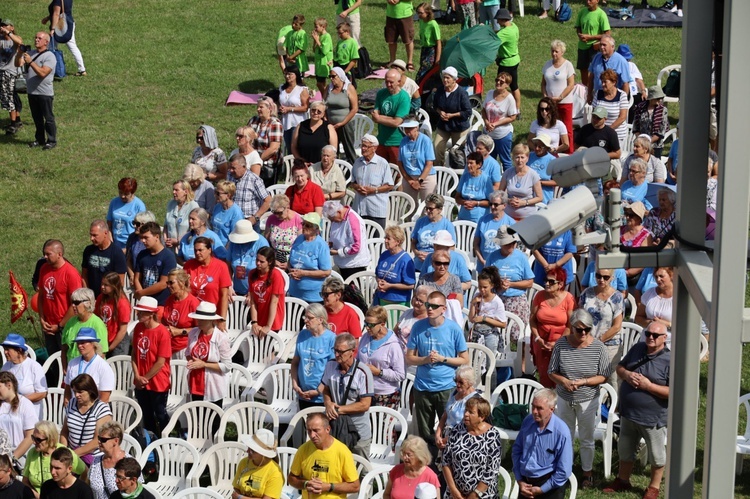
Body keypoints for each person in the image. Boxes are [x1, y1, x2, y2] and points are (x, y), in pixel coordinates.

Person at [603, 321, 670, 499]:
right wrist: (627, 375)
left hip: (652, 418)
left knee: (657, 455)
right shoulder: (638, 348)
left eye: (656, 335)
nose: (651, 338)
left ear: (664, 338)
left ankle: (653, 488)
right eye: (648, 334)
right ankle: (623, 480)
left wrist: (648, 386)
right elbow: (620, 368)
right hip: (628, 414)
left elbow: (673, 392)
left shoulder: (670, 360)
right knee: (625, 449)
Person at [548, 309, 611, 488]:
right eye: (579, 329)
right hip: (564, 397)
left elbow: (604, 375)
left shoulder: (598, 347)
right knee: (564, 436)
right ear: (571, 328)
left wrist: (584, 381)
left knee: (586, 437)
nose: (583, 333)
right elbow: (551, 371)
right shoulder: (561, 344)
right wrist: (564, 381)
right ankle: (563, 471)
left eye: (587, 329)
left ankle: (587, 473)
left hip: (588, 399)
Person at [406, 291, 469, 457]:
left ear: (443, 308)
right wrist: (426, 359)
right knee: (425, 432)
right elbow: (410, 358)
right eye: (428, 305)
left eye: (434, 306)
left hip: (446, 386)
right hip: (422, 386)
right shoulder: (418, 327)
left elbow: (464, 359)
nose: (430, 309)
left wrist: (443, 359)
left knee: (448, 430)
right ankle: (428, 464)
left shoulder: (453, 329)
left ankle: (447, 463)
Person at [512, 389, 573, 499]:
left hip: (550, 487)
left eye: (539, 408)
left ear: (551, 410)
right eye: (533, 406)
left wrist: (542, 489)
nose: (534, 411)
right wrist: (519, 480)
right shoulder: (528, 421)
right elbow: (517, 450)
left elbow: (564, 470)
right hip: (525, 484)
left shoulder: (561, 432)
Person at [321, 333, 374, 458]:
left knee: (361, 470)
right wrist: (328, 403)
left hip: (358, 431)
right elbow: (326, 389)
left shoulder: (363, 373)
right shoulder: (330, 365)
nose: (337, 354)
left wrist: (338, 409)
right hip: (336, 428)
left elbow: (365, 404)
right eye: (335, 350)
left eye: (341, 351)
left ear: (352, 352)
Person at [441, 396, 504, 499]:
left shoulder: (492, 435)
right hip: (455, 494)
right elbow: (446, 461)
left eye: (471, 412)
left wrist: (474, 495)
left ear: (482, 417)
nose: (466, 414)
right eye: (466, 410)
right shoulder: (457, 430)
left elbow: (492, 470)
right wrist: (453, 490)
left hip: (483, 495)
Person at [287, 412, 361, 499]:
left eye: (316, 430)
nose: (312, 435)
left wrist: (329, 487)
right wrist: (305, 484)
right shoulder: (303, 449)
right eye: (309, 431)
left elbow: (355, 486)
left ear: (327, 429)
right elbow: (291, 479)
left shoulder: (342, 451)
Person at [485, 226, 534, 342]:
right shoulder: (492, 257)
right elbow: (485, 279)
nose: (511, 246)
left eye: (513, 243)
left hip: (516, 298)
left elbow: (530, 282)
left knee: (520, 337)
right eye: (508, 244)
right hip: (496, 297)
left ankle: (521, 358)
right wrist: (498, 284)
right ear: (500, 244)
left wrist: (511, 284)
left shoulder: (521, 257)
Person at [131, 296, 172, 436]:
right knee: (146, 415)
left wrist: (144, 378)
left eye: (141, 312)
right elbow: (134, 354)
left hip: (157, 381)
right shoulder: (138, 328)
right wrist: (137, 376)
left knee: (160, 415)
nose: (138, 314)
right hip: (141, 380)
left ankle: (166, 442)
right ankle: (151, 443)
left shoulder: (162, 332)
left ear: (151, 314)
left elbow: (161, 362)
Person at [579, 267, 624, 388]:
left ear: (612, 278)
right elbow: (579, 317)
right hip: (587, 342)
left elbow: (617, 326)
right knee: (589, 377)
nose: (601, 280)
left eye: (606, 277)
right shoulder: (587, 294)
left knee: (612, 379)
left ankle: (614, 406)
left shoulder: (617, 297)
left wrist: (598, 341)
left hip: (610, 343)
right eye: (598, 276)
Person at [529, 268, 575, 388]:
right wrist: (538, 338)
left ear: (560, 284)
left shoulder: (569, 299)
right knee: (544, 373)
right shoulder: (539, 296)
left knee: (560, 374)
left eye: (551, 281)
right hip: (541, 339)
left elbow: (571, 325)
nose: (546, 283)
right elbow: (532, 319)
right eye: (546, 280)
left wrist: (558, 343)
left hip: (562, 340)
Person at [38, 240, 83, 359]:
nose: (45, 257)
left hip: (66, 327)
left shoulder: (71, 274)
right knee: (52, 359)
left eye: (48, 254)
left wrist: (59, 326)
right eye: (44, 253)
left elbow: (76, 304)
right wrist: (42, 319)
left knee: (67, 359)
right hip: (48, 326)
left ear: (59, 254)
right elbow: (41, 296)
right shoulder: (44, 268)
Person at [357, 306, 405, 409]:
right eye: (366, 323)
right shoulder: (365, 337)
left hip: (385, 394)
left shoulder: (394, 345)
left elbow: (400, 375)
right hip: (364, 391)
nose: (367, 327)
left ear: (382, 324)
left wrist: (379, 372)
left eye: (371, 325)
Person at [61, 373, 113, 466]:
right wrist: (63, 450)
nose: (77, 395)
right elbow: (65, 431)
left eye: (80, 392)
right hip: (71, 454)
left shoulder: (102, 409)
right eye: (75, 391)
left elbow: (98, 441)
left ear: (90, 391)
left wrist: (73, 454)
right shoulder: (72, 404)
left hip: (93, 457)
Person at [15, 32, 56, 149]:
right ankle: (40, 139)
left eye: (39, 38)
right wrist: (19, 54)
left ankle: (52, 141)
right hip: (32, 92)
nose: (36, 40)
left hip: (44, 93)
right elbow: (17, 64)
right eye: (36, 38)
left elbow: (43, 73)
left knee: (48, 118)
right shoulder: (31, 53)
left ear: (46, 42)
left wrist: (31, 62)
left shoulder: (50, 56)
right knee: (37, 118)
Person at [186, 302, 231, 406]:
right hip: (195, 381)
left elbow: (227, 366)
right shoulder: (193, 333)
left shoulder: (221, 338)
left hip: (213, 385)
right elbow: (188, 352)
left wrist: (204, 364)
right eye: (198, 318)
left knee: (213, 419)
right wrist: (191, 360)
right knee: (197, 415)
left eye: (202, 319)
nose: (198, 321)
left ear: (211, 320)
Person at [22, 421, 85, 496]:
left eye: (38, 440)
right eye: (33, 438)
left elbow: (85, 472)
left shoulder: (64, 453)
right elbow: (25, 481)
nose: (34, 442)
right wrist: (38, 496)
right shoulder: (32, 453)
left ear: (50, 439)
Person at [291, 304, 336, 409]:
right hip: (303, 394)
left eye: (309, 318)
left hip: (323, 396)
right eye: (305, 317)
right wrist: (295, 385)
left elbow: (332, 369)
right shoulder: (302, 335)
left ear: (320, 319)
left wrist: (318, 390)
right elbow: (295, 363)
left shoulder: (331, 338)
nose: (306, 320)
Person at [350, 134, 395, 228]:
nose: (363, 148)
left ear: (374, 148)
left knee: (376, 239)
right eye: (362, 145)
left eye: (366, 146)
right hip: (359, 208)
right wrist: (357, 187)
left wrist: (374, 190)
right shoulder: (357, 162)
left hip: (376, 209)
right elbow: (353, 182)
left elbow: (389, 185)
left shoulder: (382, 163)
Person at [182, 237, 232, 321]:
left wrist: (222, 319)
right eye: (195, 250)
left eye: (200, 250)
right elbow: (183, 289)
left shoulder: (221, 266)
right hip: (192, 313)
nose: (197, 253)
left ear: (209, 250)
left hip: (212, 314)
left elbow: (224, 295)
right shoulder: (189, 265)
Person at [288, 213, 332, 303]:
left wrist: (303, 273)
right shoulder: (299, 239)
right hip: (294, 291)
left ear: (316, 229)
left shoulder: (321, 245)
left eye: (308, 225)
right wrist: (291, 270)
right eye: (303, 224)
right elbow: (291, 260)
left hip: (313, 296)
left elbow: (326, 272)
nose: (304, 227)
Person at [432, 67, 472, 167]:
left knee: (457, 153)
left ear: (454, 80)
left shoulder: (462, 93)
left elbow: (467, 112)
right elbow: (435, 105)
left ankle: (457, 174)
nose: (445, 80)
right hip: (444, 126)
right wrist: (440, 112)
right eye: (444, 77)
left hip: (459, 127)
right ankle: (439, 170)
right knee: (437, 148)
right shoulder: (440, 90)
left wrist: (452, 115)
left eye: (448, 78)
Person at [60, 288, 109, 370]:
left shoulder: (97, 324)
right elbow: (64, 348)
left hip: (90, 371)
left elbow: (101, 353)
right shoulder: (70, 322)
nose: (73, 306)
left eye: (76, 303)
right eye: (72, 302)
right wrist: (65, 369)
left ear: (88, 303)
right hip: (72, 368)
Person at [1, 334, 47, 419]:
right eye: (4, 349)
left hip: (30, 415)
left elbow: (42, 393)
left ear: (19, 350)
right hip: (10, 414)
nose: (5, 352)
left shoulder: (34, 366)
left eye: (8, 349)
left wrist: (18, 401)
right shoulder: (6, 366)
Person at [63, 328, 114, 404]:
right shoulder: (72, 363)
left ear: (93, 344)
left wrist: (90, 413)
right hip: (74, 410)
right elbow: (67, 389)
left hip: (94, 412)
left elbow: (104, 398)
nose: (80, 346)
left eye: (83, 343)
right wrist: (68, 408)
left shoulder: (104, 367)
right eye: (78, 343)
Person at [434, 366, 478, 452]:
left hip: (463, 441)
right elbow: (445, 415)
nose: (457, 384)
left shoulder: (475, 400)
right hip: (446, 437)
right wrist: (438, 434)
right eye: (456, 381)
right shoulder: (454, 393)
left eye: (461, 382)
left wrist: (448, 439)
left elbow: (472, 428)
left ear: (470, 383)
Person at [542, 40, 576, 149]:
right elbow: (543, 83)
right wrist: (545, 96)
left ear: (562, 52)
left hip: (564, 102)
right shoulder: (547, 64)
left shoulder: (568, 65)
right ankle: (551, 148)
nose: (554, 54)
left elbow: (571, 84)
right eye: (552, 51)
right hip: (550, 102)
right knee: (550, 125)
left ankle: (569, 151)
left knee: (566, 127)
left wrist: (561, 97)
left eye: (556, 51)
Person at [324, 201, 370, 279]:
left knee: (351, 290)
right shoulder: (338, 217)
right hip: (342, 263)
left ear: (338, 212)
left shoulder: (353, 220)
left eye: (333, 219)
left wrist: (338, 252)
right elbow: (338, 235)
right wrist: (331, 244)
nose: (332, 221)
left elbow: (356, 247)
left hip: (354, 265)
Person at [133, 222, 177, 306]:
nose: (143, 241)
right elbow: (137, 278)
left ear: (157, 236)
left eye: (146, 238)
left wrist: (142, 293)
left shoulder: (168, 257)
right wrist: (142, 295)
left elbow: (163, 284)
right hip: (144, 302)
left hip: (160, 303)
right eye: (142, 238)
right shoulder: (142, 255)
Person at [232, 430, 284, 499]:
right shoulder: (243, 462)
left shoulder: (275, 472)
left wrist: (240, 497)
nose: (247, 451)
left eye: (252, 450)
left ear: (263, 454)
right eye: (248, 447)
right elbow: (236, 488)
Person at [372, 71, 410, 164]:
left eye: (391, 82)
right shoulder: (381, 94)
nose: (388, 85)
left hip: (396, 141)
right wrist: (390, 119)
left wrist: (379, 118)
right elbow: (374, 115)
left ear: (399, 81)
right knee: (379, 169)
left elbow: (397, 122)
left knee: (396, 172)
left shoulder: (404, 97)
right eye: (386, 82)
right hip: (381, 139)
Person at [246, 246, 286, 337]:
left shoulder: (276, 275)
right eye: (257, 260)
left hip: (273, 319)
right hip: (259, 316)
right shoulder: (252, 274)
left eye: (262, 261)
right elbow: (253, 301)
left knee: (268, 349)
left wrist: (268, 326)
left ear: (270, 262)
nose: (258, 263)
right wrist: (254, 322)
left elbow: (274, 302)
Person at [81, 220, 126, 298]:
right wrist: (87, 294)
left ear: (105, 233)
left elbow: (120, 281)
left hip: (108, 298)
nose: (91, 238)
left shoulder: (117, 252)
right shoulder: (88, 250)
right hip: (91, 297)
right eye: (91, 235)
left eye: (95, 235)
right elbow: (84, 274)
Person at [482, 71, 518, 171]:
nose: (498, 83)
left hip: (503, 135)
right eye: (497, 80)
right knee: (488, 160)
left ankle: (508, 183)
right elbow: (484, 110)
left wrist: (495, 124)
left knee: (505, 160)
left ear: (507, 85)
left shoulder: (510, 99)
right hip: (488, 134)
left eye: (501, 82)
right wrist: (486, 122)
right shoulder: (490, 93)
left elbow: (512, 117)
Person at [412, 194, 456, 272]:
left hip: (437, 265)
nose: (428, 211)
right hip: (419, 262)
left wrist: (433, 256)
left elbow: (451, 248)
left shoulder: (447, 225)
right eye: (426, 208)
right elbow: (413, 242)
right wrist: (417, 253)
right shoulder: (420, 222)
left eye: (431, 209)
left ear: (440, 209)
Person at [0, 372, 37, 466]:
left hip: (18, 455)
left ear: (9, 385)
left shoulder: (25, 404)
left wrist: (12, 458)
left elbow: (30, 436)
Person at [228, 154, 272, 230]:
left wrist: (255, 217)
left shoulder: (254, 180)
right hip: (231, 219)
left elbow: (268, 201)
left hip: (248, 222)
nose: (231, 170)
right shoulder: (230, 176)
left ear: (243, 167)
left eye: (233, 168)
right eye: (230, 168)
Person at [324, 68, 359, 165]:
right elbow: (324, 105)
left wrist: (342, 123)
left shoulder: (349, 88)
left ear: (340, 76)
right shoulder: (329, 88)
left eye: (333, 76)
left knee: (348, 149)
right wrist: (326, 120)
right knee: (332, 149)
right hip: (331, 125)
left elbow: (354, 108)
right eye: (330, 76)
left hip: (345, 124)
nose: (331, 79)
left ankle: (353, 169)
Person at [474, 191, 515, 273]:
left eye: (496, 204)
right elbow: (476, 244)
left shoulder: (511, 223)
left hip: (501, 267)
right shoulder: (483, 220)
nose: (492, 207)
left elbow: (513, 248)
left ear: (504, 205)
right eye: (491, 204)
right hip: (483, 266)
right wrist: (483, 261)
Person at [574, 106, 621, 177]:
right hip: (584, 165)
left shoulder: (610, 133)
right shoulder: (585, 129)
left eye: (598, 118)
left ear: (605, 119)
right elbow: (576, 146)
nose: (595, 119)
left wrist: (600, 156)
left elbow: (617, 154)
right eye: (594, 117)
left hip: (602, 167)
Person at [375, 226, 416, 306]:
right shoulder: (384, 255)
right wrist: (379, 281)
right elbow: (377, 274)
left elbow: (411, 285)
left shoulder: (406, 260)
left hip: (398, 302)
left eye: (388, 239)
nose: (385, 241)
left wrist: (390, 286)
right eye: (385, 238)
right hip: (381, 298)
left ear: (397, 242)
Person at [500, 143, 543, 220]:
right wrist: (509, 200)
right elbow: (500, 193)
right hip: (508, 215)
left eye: (522, 157)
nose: (520, 160)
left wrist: (523, 202)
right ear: (513, 158)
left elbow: (539, 197)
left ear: (527, 158)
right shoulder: (508, 173)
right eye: (517, 157)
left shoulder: (533, 175)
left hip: (527, 216)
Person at [88, 421, 130, 499]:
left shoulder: (129, 463)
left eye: (103, 439)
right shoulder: (95, 462)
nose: (99, 442)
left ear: (115, 441)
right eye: (99, 438)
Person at [398, 119, 436, 204]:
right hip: (409, 177)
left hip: (426, 177)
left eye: (410, 128)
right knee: (409, 205)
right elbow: (400, 163)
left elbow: (429, 164)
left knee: (427, 205)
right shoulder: (403, 141)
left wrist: (419, 181)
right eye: (405, 128)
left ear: (416, 128)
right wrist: (409, 180)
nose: (407, 131)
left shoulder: (425, 140)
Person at [43, 0, 86, 76]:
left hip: (60, 27)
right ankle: (82, 69)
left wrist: (53, 29)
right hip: (68, 23)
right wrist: (47, 18)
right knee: (72, 47)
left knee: (51, 47)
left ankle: (48, 68)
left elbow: (56, 14)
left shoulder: (58, 1)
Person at [228, 220, 271, 296]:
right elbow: (228, 264)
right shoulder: (233, 243)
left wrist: (252, 290)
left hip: (258, 292)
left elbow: (266, 270)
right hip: (236, 291)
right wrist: (229, 285)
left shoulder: (262, 243)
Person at [574, 0, 611, 88]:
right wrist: (580, 35)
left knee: (595, 70)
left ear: (597, 1)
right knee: (583, 69)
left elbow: (607, 34)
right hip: (582, 46)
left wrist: (590, 37)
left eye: (591, 0)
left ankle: (596, 88)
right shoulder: (582, 12)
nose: (588, 1)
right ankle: (585, 89)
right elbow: (578, 27)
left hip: (594, 47)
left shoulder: (601, 14)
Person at [248, 96, 283, 186]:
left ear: (269, 109)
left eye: (261, 107)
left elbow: (273, 148)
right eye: (257, 107)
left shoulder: (275, 124)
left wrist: (256, 161)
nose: (258, 109)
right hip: (251, 161)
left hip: (268, 164)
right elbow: (246, 137)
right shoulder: (253, 120)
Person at [587, 34, 631, 105]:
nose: (601, 47)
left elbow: (625, 83)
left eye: (604, 45)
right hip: (598, 96)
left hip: (614, 98)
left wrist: (623, 101)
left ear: (612, 47)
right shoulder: (596, 58)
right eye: (600, 45)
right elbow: (591, 77)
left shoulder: (621, 61)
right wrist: (589, 94)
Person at [94, 272, 130, 357]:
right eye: (102, 283)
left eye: (106, 285)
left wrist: (110, 348)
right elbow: (96, 317)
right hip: (104, 338)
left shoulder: (122, 303)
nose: (102, 287)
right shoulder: (101, 298)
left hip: (118, 342)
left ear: (114, 286)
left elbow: (123, 330)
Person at [592, 69, 629, 149]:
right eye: (602, 82)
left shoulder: (622, 95)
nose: (603, 84)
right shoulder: (598, 94)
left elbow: (622, 117)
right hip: (599, 133)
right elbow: (594, 114)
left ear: (614, 82)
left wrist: (608, 131)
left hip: (617, 134)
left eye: (605, 82)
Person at [107, 178, 147, 249]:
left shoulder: (139, 206)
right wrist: (110, 238)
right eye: (120, 193)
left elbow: (143, 228)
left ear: (132, 192)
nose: (122, 196)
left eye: (126, 194)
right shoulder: (114, 202)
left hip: (131, 243)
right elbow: (109, 223)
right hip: (115, 242)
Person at [279, 64, 310, 155]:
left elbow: (305, 107)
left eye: (290, 74)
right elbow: (280, 101)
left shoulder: (302, 89)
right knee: (289, 147)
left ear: (296, 75)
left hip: (297, 122)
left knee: (295, 147)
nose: (287, 76)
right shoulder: (282, 88)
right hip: (285, 122)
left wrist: (289, 109)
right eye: (286, 74)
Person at [264, 194, 302, 268]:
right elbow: (266, 241)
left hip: (292, 258)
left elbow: (300, 245)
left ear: (287, 207)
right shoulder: (271, 219)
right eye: (274, 212)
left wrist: (290, 262)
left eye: (279, 212)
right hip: (274, 258)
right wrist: (272, 259)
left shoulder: (297, 219)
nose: (277, 216)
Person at [456, 152, 494, 223]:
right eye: (467, 163)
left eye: (471, 163)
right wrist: (464, 202)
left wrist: (476, 203)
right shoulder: (464, 177)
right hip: (463, 216)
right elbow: (457, 197)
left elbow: (491, 202)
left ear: (479, 165)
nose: (468, 166)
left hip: (479, 218)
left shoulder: (485, 179)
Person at [495, 9, 521, 111]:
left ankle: (501, 107)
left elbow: (493, 41)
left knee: (500, 85)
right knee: (514, 86)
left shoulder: (504, 33)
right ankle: (517, 110)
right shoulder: (514, 26)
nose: (497, 22)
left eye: (498, 20)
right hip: (515, 60)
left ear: (503, 19)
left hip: (506, 63)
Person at [632, 86, 670, 158]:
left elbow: (661, 131)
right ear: (652, 98)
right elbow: (636, 127)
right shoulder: (640, 108)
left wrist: (647, 142)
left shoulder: (663, 110)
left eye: (661, 98)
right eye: (658, 98)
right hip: (640, 145)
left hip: (655, 146)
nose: (660, 100)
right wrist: (641, 141)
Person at [163, 180, 199, 254]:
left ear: (185, 191)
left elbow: (195, 230)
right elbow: (166, 225)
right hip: (170, 249)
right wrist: (166, 239)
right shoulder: (171, 204)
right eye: (173, 190)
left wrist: (178, 242)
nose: (173, 192)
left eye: (176, 190)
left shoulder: (193, 206)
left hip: (186, 248)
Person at [635, 266, 673, 333]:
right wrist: (651, 323)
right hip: (648, 339)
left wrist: (666, 324)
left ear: (671, 276)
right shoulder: (649, 293)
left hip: (671, 341)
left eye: (661, 276)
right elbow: (638, 317)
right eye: (656, 276)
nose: (658, 279)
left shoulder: (679, 297)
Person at [0, 20, 22, 134]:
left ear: (12, 27)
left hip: (11, 73)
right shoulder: (0, 39)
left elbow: (19, 42)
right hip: (2, 72)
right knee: (8, 97)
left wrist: (8, 33)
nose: (2, 27)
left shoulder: (15, 39)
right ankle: (16, 120)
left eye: (5, 25)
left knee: (9, 98)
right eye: (1, 26)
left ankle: (13, 124)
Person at [617, 43, 647, 123]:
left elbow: (639, 80)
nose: (628, 61)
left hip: (634, 93)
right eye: (626, 59)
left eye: (628, 59)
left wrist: (643, 91)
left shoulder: (632, 65)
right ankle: (630, 125)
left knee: (647, 102)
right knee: (631, 106)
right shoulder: (616, 66)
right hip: (624, 94)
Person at [393, 285, 430, 350]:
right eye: (415, 298)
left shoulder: (429, 320)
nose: (416, 302)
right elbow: (395, 332)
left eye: (421, 301)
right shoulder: (407, 312)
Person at [212, 180, 245, 248]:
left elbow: (235, 236)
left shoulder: (236, 213)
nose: (215, 195)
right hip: (213, 245)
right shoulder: (217, 207)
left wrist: (225, 252)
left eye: (218, 193)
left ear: (228, 195)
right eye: (215, 192)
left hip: (225, 248)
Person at [125, 211, 156, 283]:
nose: (134, 226)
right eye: (134, 223)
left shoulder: (154, 240)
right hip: (134, 277)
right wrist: (132, 276)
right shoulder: (132, 237)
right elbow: (128, 259)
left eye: (137, 224)